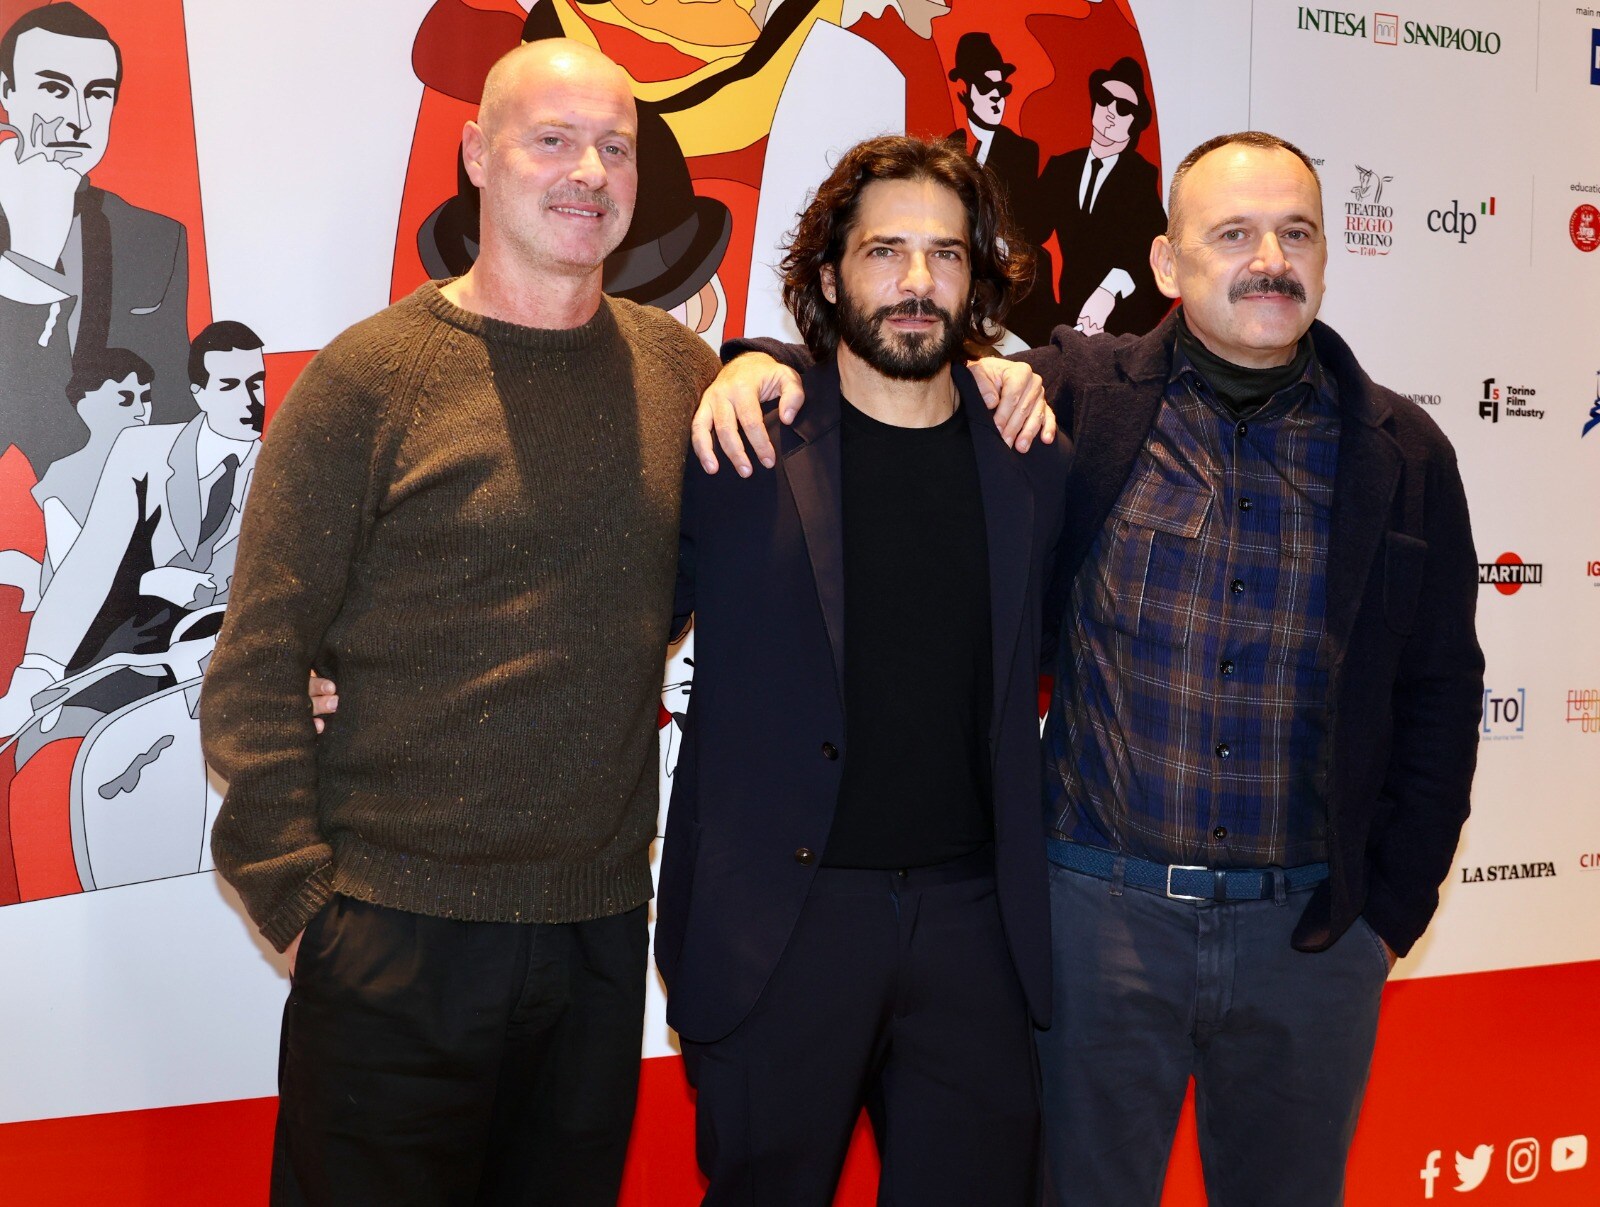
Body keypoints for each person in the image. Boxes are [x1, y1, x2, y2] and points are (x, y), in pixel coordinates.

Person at [697, 130, 1483, 1207]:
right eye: (1233, 234)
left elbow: (1441, 692)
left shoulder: (1404, 451)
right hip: (1100, 927)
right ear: (1166, 262)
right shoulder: (1080, 394)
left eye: (1295, 233)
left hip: (1309, 937)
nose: (1269, 260)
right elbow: (895, 364)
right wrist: (760, 360)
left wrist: (1387, 913)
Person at [200, 37, 728, 1207]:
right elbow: (257, 661)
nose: (589, 171)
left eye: (615, 147)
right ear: (476, 155)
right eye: (553, 140)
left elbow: (682, 590)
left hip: (596, 940)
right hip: (390, 939)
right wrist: (303, 907)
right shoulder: (371, 378)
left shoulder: (682, 375)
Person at [656, 134, 1068, 1205]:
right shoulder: (741, 445)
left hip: (977, 929)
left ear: (976, 280)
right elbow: (615, 632)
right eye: (886, 252)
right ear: (831, 276)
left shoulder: (1033, 457)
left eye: (947, 254)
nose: (918, 281)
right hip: (780, 926)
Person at [0, 321, 264, 737]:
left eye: (257, 384)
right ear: (200, 393)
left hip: (222, 666)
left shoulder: (282, 470)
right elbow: (90, 564)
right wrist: (38, 670)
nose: (250, 402)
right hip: (128, 649)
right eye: (230, 385)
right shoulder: (143, 450)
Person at [0, 2, 192, 476]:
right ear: (7, 92)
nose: (79, 119)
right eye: (54, 89)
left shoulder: (156, 238)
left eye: (98, 93)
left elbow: (172, 410)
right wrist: (26, 258)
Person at [1036, 56, 1168, 338]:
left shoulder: (1139, 176)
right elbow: (1030, 229)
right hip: (1064, 317)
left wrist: (1110, 289)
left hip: (1116, 327)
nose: (1110, 110)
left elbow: (1155, 255)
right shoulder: (1062, 168)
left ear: (1134, 122)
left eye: (1123, 107)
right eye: (1105, 98)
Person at [943, 32, 1053, 346]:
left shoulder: (1022, 151)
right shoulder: (947, 149)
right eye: (985, 87)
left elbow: (1033, 229)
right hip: (953, 296)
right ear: (964, 91)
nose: (996, 97)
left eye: (1002, 89)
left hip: (1009, 301)